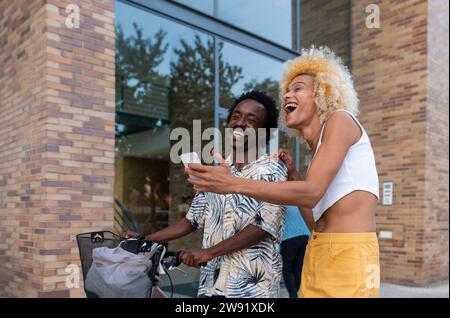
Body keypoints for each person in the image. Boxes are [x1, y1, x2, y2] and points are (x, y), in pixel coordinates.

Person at [186, 46, 381, 298]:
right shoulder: (318, 150)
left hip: (349, 254)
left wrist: (232, 183)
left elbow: (311, 193)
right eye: (287, 90)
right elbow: (315, 222)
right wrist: (293, 177)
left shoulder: (340, 120)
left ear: (323, 93)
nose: (288, 94)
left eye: (298, 88)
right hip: (319, 251)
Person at [124, 90, 288, 298]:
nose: (240, 123)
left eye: (251, 119)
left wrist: (208, 252)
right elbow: (191, 220)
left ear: (265, 133)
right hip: (212, 284)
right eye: (236, 116)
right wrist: (146, 239)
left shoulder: (273, 170)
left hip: (250, 289)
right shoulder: (216, 171)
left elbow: (263, 226)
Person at [280, 206, 309, 298]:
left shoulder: (283, 204)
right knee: (298, 267)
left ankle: (293, 294)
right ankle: (294, 292)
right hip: (305, 236)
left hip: (288, 237)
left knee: (287, 268)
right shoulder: (300, 204)